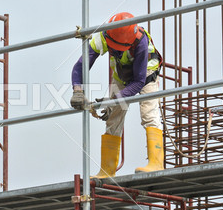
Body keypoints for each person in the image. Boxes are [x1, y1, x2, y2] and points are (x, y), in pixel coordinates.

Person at [70, 12, 164, 178]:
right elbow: (80, 66)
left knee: (149, 113)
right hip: (121, 74)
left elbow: (138, 82)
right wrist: (78, 90)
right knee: (114, 118)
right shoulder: (103, 36)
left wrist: (114, 100)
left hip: (146, 74)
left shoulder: (141, 42)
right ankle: (107, 170)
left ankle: (156, 163)